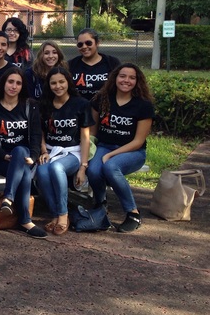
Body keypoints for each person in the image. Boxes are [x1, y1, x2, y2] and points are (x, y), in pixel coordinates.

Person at [87, 63, 154, 232]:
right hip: (104, 146)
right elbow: (93, 130)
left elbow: (138, 141)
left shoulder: (143, 105)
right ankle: (100, 206)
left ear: (137, 81)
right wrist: (88, 152)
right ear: (115, 78)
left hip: (133, 151)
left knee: (111, 167)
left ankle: (133, 213)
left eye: (132, 77)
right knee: (94, 170)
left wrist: (111, 155)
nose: (126, 80)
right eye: (122, 76)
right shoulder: (102, 99)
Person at [0, 67, 45, 238]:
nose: (14, 86)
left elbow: (35, 134)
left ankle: (8, 199)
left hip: (24, 155)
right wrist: (3, 154)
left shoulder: (30, 105)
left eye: (18, 83)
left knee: (20, 153)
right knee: (24, 172)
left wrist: (33, 157)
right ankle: (26, 220)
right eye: (10, 82)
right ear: (3, 83)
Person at [35, 67, 92, 236]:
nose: (58, 86)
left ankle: (63, 213)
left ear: (68, 82)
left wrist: (83, 167)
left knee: (56, 168)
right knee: (42, 171)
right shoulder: (44, 105)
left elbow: (85, 137)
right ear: (49, 85)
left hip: (73, 152)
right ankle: (55, 214)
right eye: (53, 83)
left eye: (61, 82)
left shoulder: (81, 104)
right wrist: (44, 150)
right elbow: (41, 132)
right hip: (51, 151)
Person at [68, 28, 121, 101]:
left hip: (106, 108)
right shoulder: (71, 64)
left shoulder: (112, 62)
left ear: (97, 43)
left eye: (88, 43)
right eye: (80, 44)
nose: (84, 47)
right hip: (79, 109)